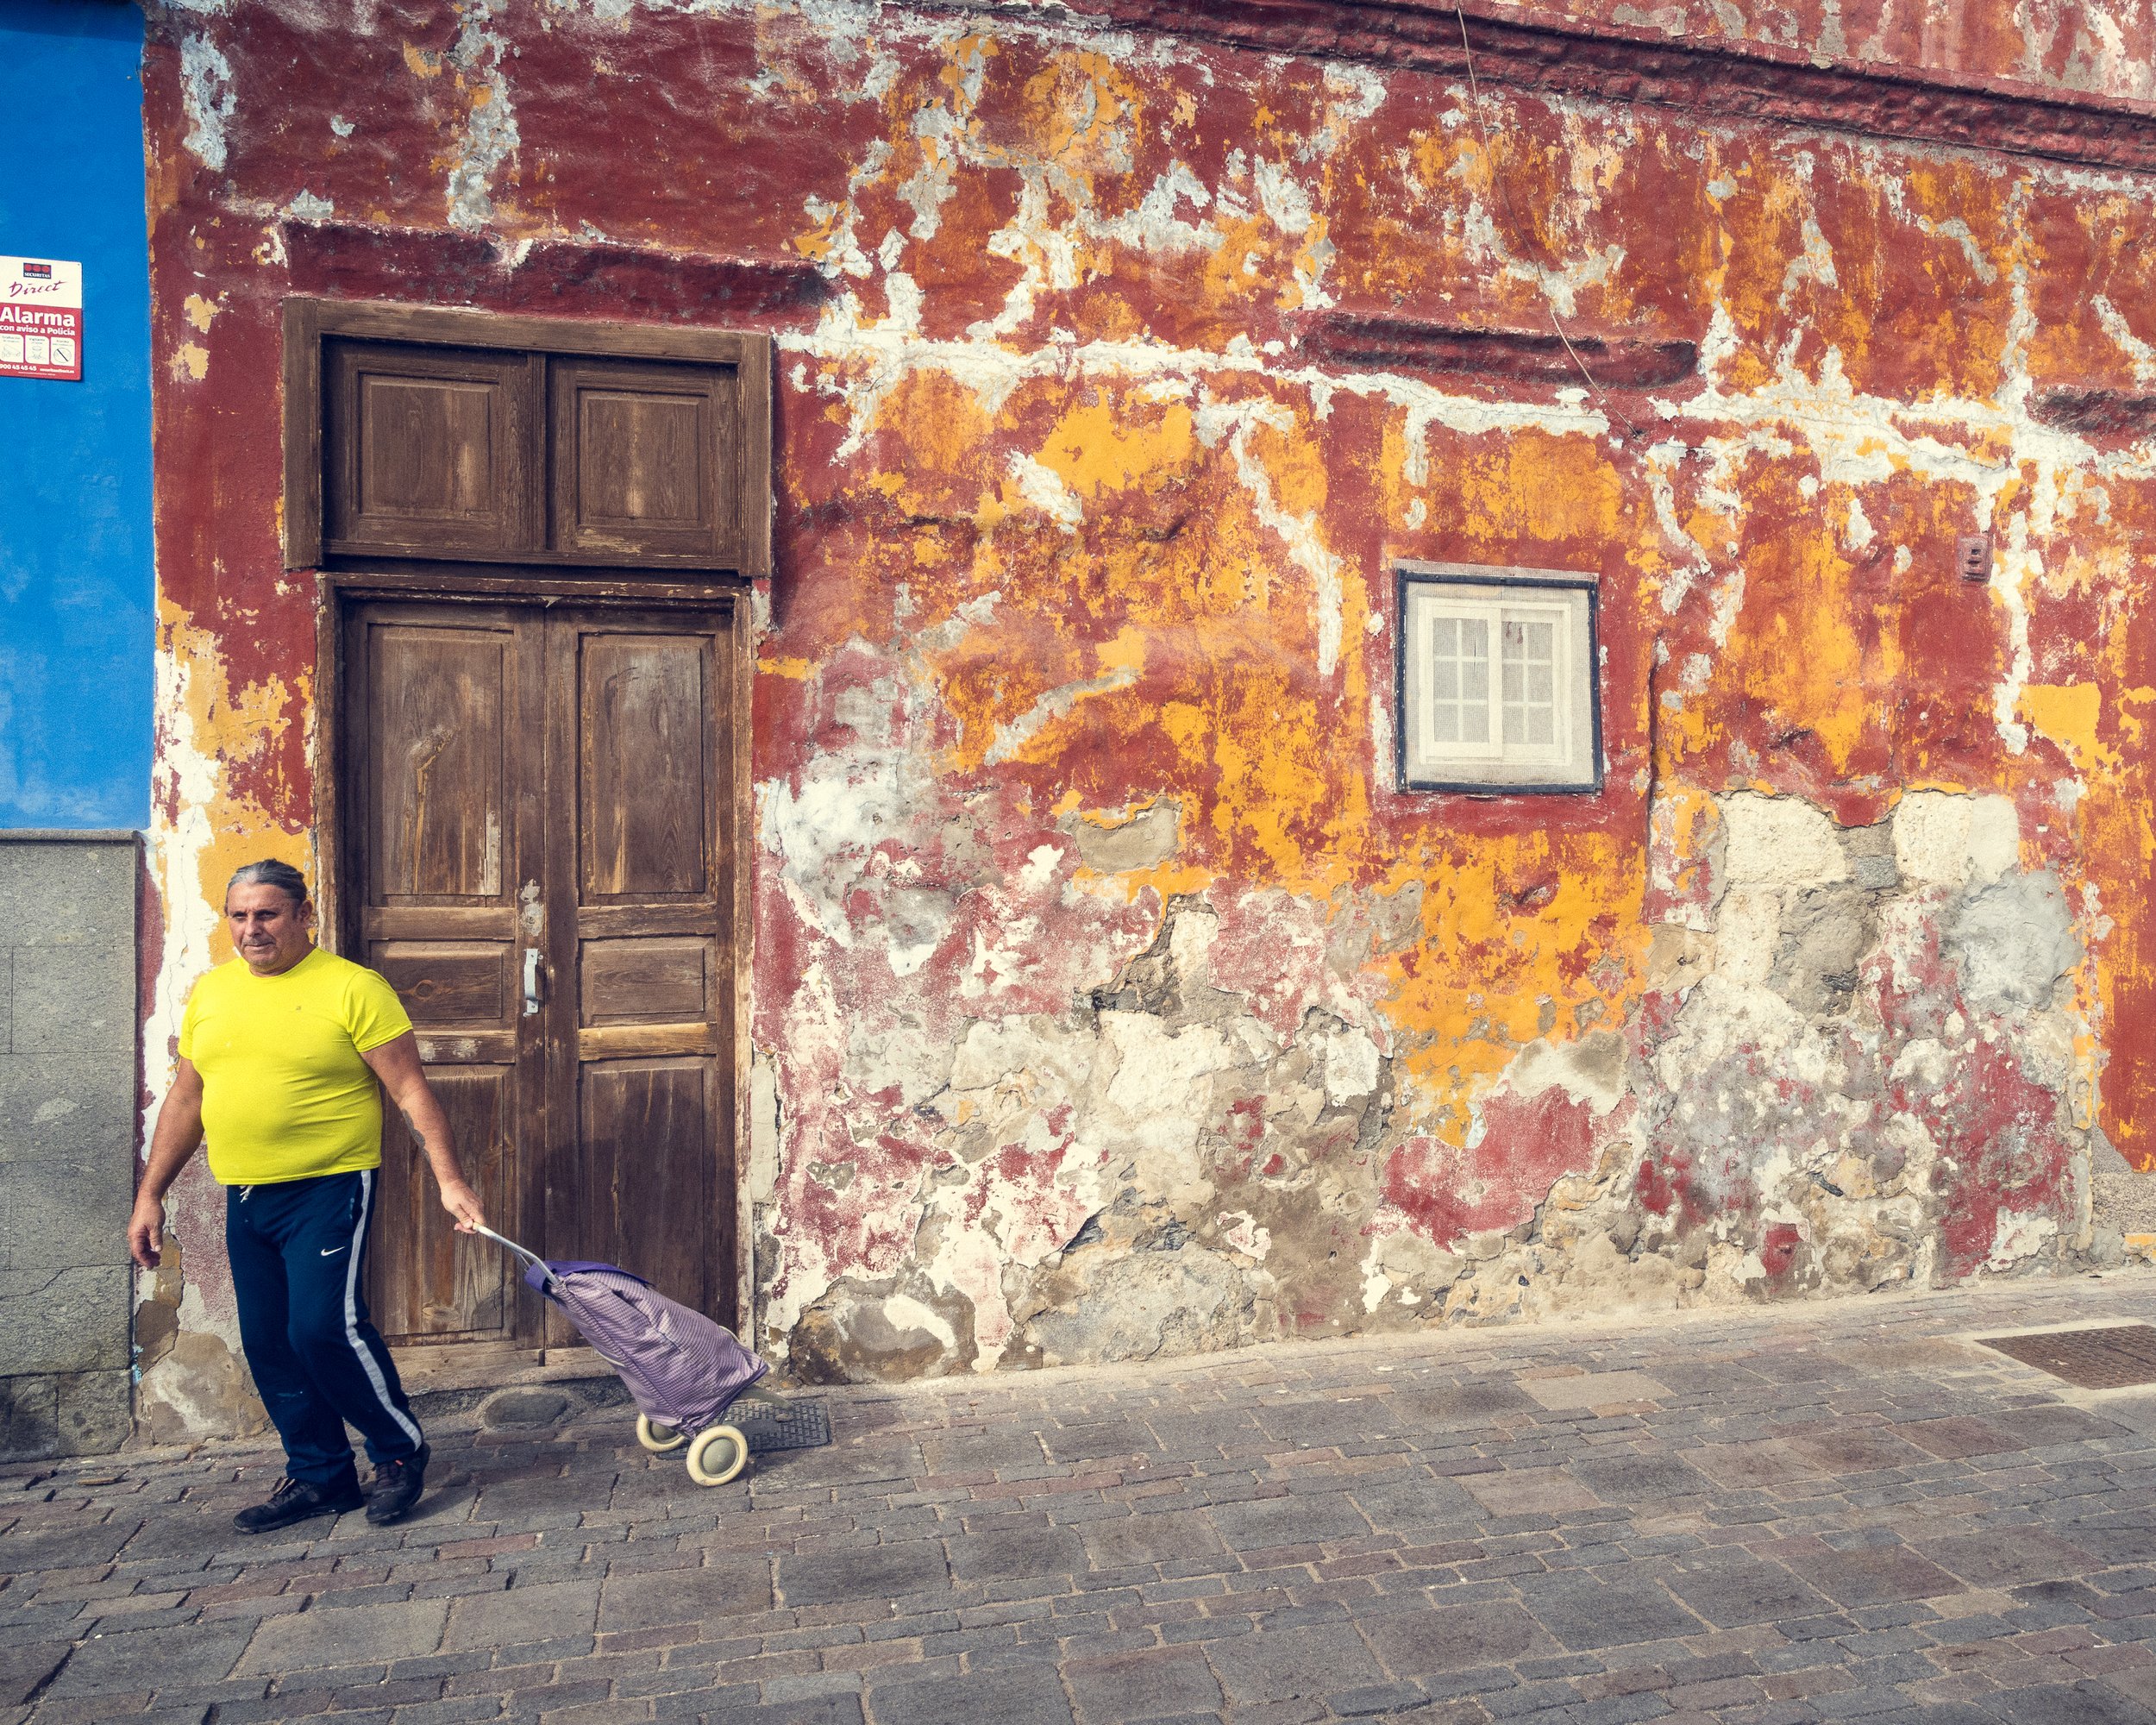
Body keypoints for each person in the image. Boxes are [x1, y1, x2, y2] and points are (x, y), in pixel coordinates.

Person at [129, 859, 486, 1533]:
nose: (251, 929)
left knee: (322, 1328)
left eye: (266, 914)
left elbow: (410, 1090)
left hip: (330, 1184)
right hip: (246, 1191)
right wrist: (152, 1196)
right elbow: (187, 1097)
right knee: (268, 1340)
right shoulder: (212, 993)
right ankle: (321, 1476)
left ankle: (399, 1454)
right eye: (239, 916)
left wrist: (450, 1180)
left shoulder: (353, 988)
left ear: (302, 916)